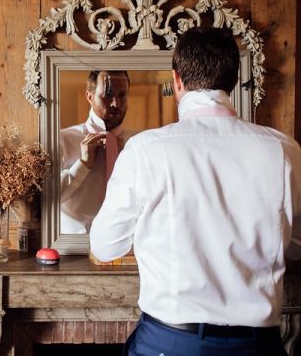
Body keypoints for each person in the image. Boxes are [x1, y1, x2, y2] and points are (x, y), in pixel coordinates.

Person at [90, 26, 301, 356]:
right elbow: (298, 245)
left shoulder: (145, 150)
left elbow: (104, 247)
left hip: (172, 343)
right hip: (259, 346)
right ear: (233, 80)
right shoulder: (284, 150)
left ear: (176, 80)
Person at [60, 70, 131, 234]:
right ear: (89, 96)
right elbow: (47, 199)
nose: (115, 103)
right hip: (73, 246)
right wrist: (83, 165)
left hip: (124, 243)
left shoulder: (137, 144)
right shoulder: (63, 140)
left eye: (122, 95)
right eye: (107, 95)